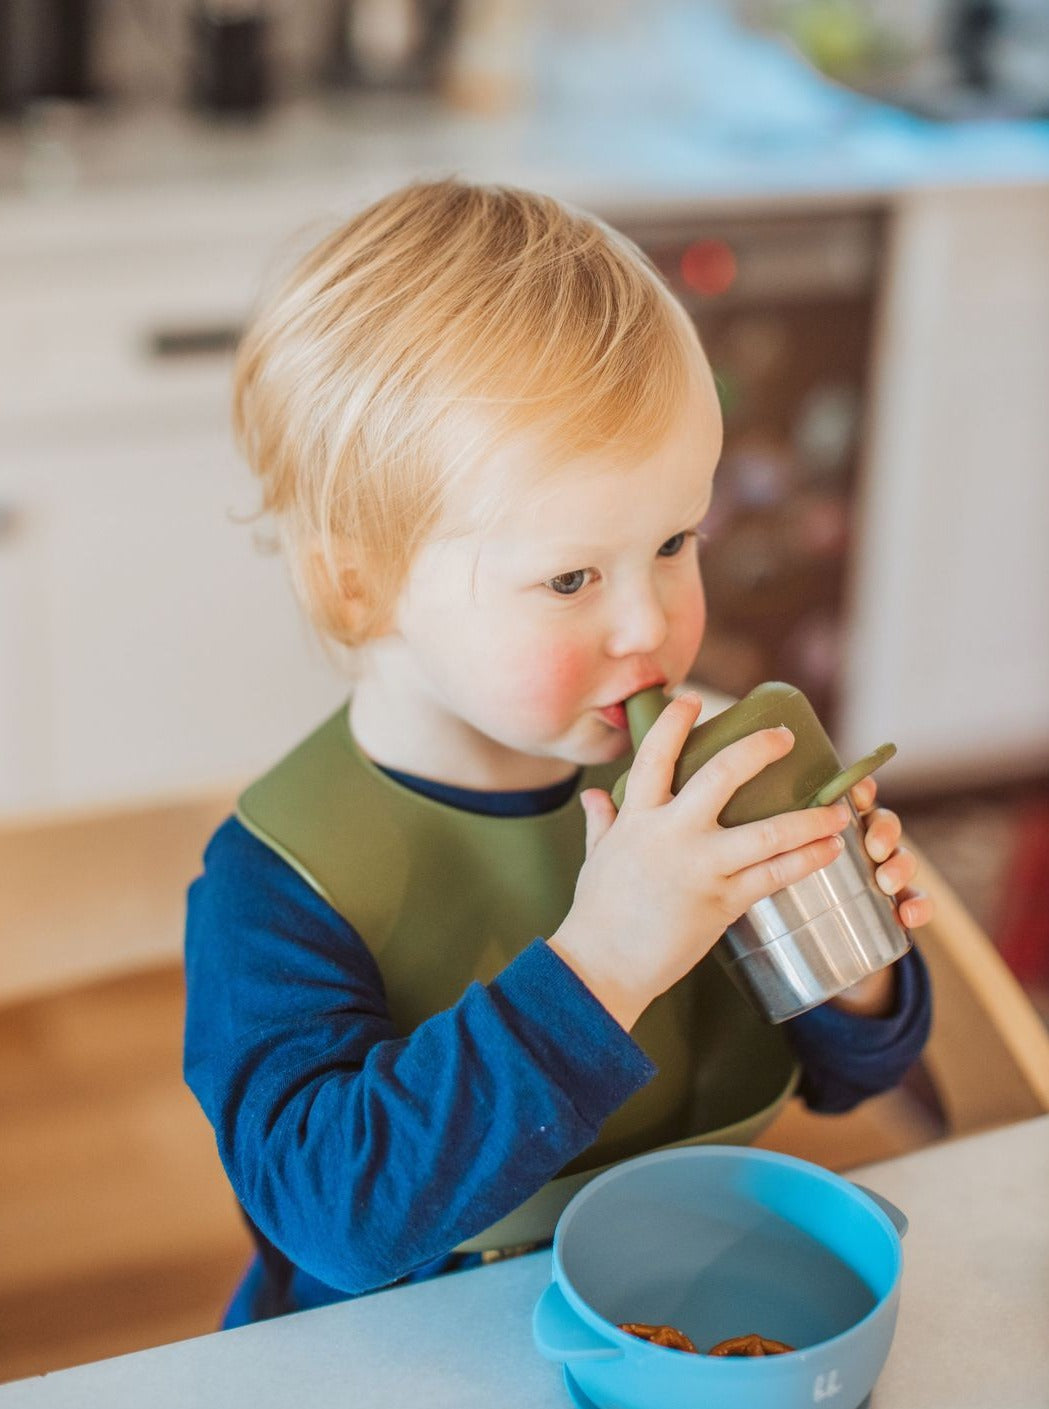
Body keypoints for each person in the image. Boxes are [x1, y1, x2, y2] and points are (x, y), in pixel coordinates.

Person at [184, 179, 933, 1329]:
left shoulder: (693, 771)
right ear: (357, 582)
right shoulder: (279, 883)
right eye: (571, 578)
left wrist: (847, 944)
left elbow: (851, 1076)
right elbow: (334, 1209)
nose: (650, 625)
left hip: (678, 1308)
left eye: (674, 540)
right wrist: (607, 959)